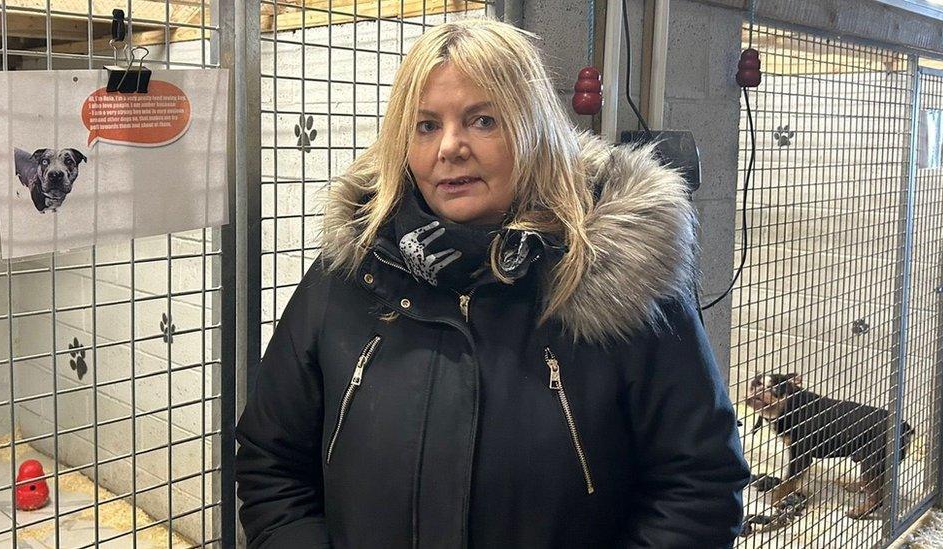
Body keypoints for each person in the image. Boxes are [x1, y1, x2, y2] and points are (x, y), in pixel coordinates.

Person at [236, 16, 750, 549]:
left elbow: (698, 488)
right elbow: (271, 465)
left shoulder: (621, 279)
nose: (450, 147)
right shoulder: (351, 273)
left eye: (483, 120)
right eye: (426, 125)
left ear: (534, 130)